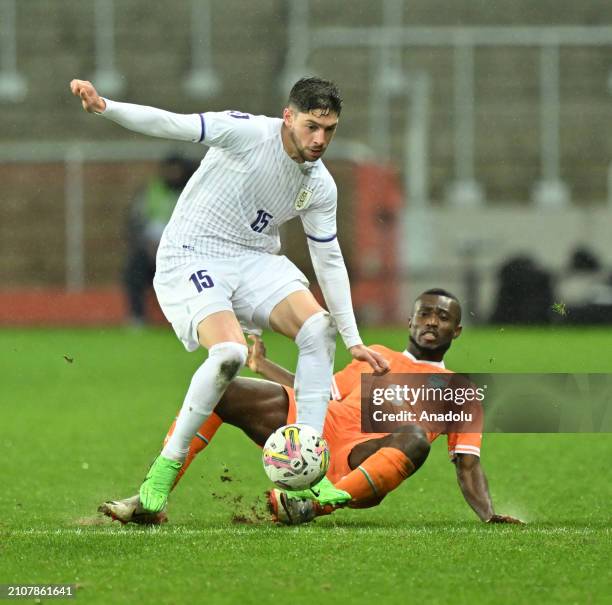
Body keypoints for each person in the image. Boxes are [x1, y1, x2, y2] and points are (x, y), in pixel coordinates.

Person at [70, 76, 389, 514]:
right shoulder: (246, 133)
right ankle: (162, 474)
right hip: (193, 254)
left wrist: (353, 340)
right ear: (288, 117)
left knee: (319, 328)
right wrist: (107, 106)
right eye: (312, 126)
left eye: (329, 130)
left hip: (254, 259)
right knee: (228, 355)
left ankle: (304, 476)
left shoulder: (320, 185)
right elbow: (172, 124)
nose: (320, 139)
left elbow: (328, 260)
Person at [99, 289, 522, 526]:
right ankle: (150, 501)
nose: (432, 322)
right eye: (424, 314)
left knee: (413, 437)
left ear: (457, 330)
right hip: (319, 432)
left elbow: (467, 464)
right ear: (410, 322)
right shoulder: (372, 353)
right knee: (223, 390)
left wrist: (489, 516)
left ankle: (314, 504)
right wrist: (263, 366)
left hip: (362, 462)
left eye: (442, 318)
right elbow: (318, 395)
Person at [123, 155, 195, 325]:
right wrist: (146, 245)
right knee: (134, 270)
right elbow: (135, 221)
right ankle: (137, 317)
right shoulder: (152, 190)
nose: (173, 174)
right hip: (150, 249)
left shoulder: (193, 192)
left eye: (176, 170)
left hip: (185, 253)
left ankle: (191, 318)